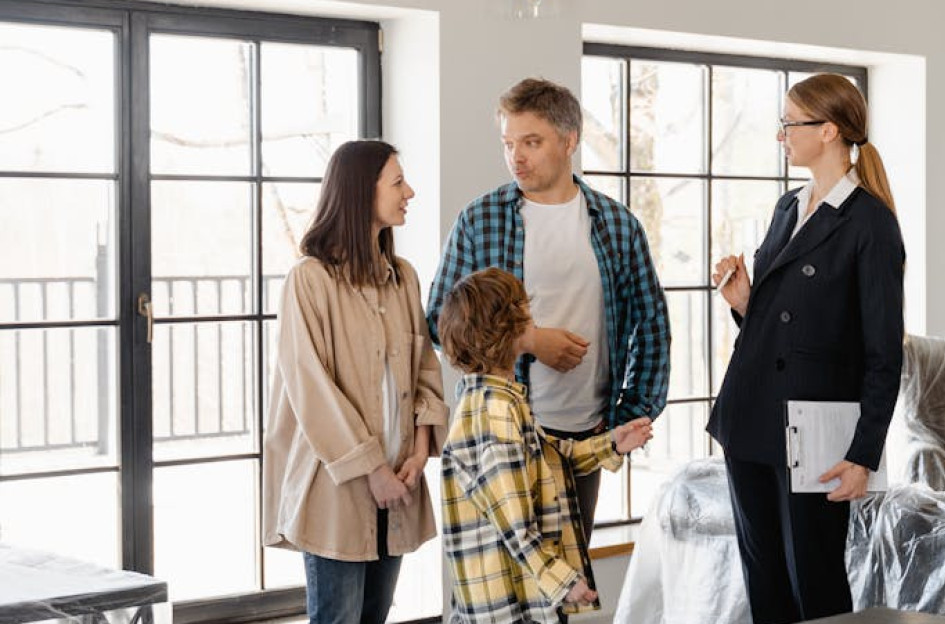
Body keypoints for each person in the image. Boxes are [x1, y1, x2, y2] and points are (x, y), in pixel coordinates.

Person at [426, 77, 670, 543]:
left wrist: (630, 414)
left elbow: (652, 324)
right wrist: (529, 339)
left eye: (531, 142)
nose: (516, 157)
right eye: (508, 144)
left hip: (586, 437)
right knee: (500, 591)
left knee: (564, 590)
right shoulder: (480, 220)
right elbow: (441, 321)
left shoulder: (617, 224)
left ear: (569, 140)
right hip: (501, 436)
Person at [708, 74, 905, 623]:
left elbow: (884, 353)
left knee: (813, 584)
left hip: (814, 431)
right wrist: (744, 300)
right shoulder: (787, 206)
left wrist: (864, 453)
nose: (781, 136)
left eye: (789, 124)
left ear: (829, 130)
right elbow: (780, 324)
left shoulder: (871, 224)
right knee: (763, 578)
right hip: (749, 418)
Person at [262, 140, 448, 624]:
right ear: (361, 191)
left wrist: (420, 447)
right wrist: (372, 470)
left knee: (374, 617)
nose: (410, 191)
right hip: (337, 489)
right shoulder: (310, 280)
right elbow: (310, 388)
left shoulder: (403, 277)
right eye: (397, 181)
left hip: (399, 483)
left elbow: (424, 366)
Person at [438, 267, 653, 624]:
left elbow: (551, 457)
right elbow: (514, 520)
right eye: (521, 305)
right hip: (506, 605)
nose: (530, 312)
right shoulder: (495, 413)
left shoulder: (497, 399)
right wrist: (561, 580)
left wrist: (611, 444)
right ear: (507, 324)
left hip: (516, 596)